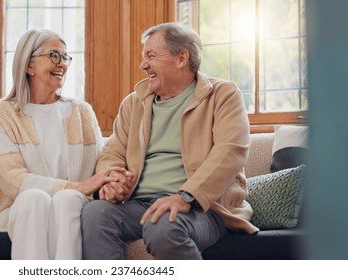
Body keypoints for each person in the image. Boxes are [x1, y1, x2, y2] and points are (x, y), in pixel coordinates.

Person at [81, 22, 259, 260]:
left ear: (181, 57)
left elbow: (231, 152)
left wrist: (187, 196)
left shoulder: (223, 94)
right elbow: (113, 152)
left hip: (203, 209)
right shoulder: (134, 103)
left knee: (164, 224)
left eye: (151, 56)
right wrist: (111, 180)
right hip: (140, 204)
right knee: (95, 213)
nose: (143, 65)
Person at [0, 29, 126, 260]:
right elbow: (12, 179)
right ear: (29, 66)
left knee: (66, 199)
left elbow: (100, 163)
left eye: (65, 57)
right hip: (21, 208)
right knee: (35, 197)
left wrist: (110, 180)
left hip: (74, 203)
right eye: (54, 56)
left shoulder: (82, 111)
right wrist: (77, 186)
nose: (63, 64)